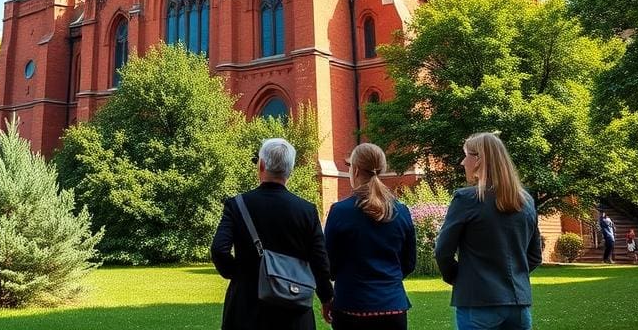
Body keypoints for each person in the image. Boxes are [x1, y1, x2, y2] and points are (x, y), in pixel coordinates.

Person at [211, 138, 334, 329]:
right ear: (290, 171)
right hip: (293, 308)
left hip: (246, 308)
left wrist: (238, 275)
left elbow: (219, 250)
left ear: (261, 165)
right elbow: (320, 261)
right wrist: (327, 298)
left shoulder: (237, 205)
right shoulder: (307, 210)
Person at [435, 132, 542, 330]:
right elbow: (535, 256)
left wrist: (459, 278)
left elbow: (443, 251)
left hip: (478, 302)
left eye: (466, 155)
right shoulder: (526, 202)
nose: (462, 162)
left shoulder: (467, 199)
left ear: (478, 160)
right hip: (518, 304)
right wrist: (516, 275)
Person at [324, 143, 417, 329]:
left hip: (351, 306)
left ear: (356, 170)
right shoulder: (401, 211)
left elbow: (328, 263)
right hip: (392, 306)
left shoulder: (340, 212)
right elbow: (408, 262)